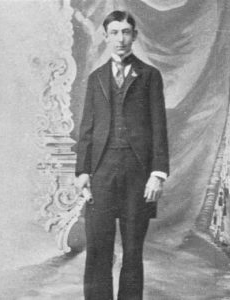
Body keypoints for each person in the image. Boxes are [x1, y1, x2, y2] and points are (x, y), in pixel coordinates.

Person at [75, 10, 169, 300]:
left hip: (137, 174)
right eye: (114, 32)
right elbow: (87, 129)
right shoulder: (96, 78)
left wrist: (157, 173)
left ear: (135, 36)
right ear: (106, 37)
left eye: (126, 32)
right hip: (101, 173)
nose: (120, 39)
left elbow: (159, 128)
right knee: (98, 251)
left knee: (132, 252)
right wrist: (82, 172)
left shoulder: (150, 76)